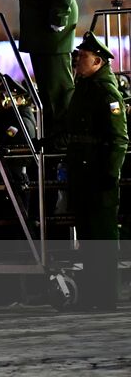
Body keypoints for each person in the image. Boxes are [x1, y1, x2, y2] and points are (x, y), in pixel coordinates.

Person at [54, 31, 128, 310]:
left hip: (98, 175)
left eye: (83, 56)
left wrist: (111, 174)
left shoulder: (106, 92)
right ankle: (93, 295)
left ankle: (106, 297)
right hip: (82, 173)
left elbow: (119, 138)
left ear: (97, 61)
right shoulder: (84, 88)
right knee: (87, 237)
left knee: (102, 239)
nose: (77, 60)